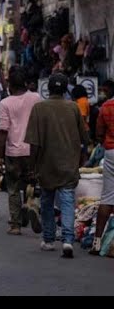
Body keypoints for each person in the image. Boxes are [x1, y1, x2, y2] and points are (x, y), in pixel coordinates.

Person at [25, 72, 89, 258]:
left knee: (46, 200)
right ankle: (68, 240)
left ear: (48, 88)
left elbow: (34, 143)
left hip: (47, 164)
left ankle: (49, 239)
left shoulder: (39, 108)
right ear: (65, 89)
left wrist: (32, 166)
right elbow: (84, 138)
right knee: (68, 201)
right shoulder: (74, 108)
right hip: (69, 163)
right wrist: (81, 159)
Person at [0, 67, 41, 235]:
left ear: (10, 85)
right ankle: (31, 205)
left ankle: (15, 224)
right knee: (33, 181)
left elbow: (2, 131)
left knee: (13, 188)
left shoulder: (5, 103)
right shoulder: (36, 98)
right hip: (33, 150)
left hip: (13, 153)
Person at [91, 79, 114, 255]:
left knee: (107, 197)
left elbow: (98, 133)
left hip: (111, 152)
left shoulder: (106, 107)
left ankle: (97, 242)